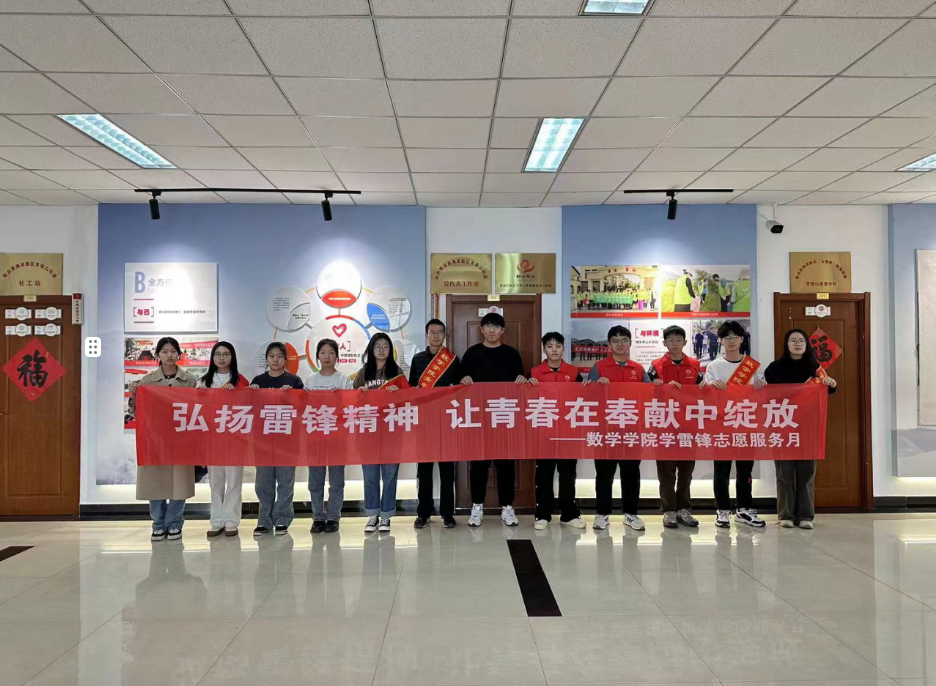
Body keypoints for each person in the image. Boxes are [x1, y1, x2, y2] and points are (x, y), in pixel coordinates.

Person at [765, 329, 837, 529]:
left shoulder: (815, 369)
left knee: (806, 473)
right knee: (784, 473)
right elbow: (766, 393)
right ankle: (786, 515)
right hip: (782, 426)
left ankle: (805, 515)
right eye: (793, 340)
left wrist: (832, 383)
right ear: (786, 344)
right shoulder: (774, 368)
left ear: (806, 345)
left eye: (801, 341)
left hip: (808, 427)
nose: (797, 344)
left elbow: (828, 389)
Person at [460, 312, 526, 527]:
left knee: (505, 464)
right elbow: (460, 384)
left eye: (496, 327)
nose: (491, 330)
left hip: (504, 418)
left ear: (502, 330)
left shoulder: (512, 354)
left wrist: (521, 379)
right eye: (488, 326)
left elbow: (521, 381)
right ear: (481, 329)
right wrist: (463, 379)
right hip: (478, 419)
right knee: (478, 465)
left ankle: (507, 507)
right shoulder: (471, 354)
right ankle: (477, 507)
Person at [130, 337, 197, 542]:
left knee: (180, 484)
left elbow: (197, 410)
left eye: (173, 351)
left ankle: (175, 523)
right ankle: (158, 524)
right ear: (158, 354)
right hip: (155, 440)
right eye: (165, 351)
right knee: (155, 482)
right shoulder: (147, 381)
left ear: (179, 354)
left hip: (181, 439)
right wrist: (134, 395)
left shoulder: (190, 380)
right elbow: (137, 412)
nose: (169, 355)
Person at [704, 320, 767, 529]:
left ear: (742, 339)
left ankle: (744, 509)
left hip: (746, 425)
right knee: (721, 471)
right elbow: (706, 397)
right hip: (722, 426)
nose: (731, 341)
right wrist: (710, 386)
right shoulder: (713, 367)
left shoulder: (753, 366)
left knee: (745, 470)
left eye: (735, 337)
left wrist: (762, 387)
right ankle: (722, 509)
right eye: (727, 337)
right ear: (721, 341)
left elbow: (761, 398)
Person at [588, 325, 648, 531]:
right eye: (615, 340)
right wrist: (597, 385)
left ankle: (631, 514)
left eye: (624, 340)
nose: (620, 344)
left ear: (630, 343)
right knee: (604, 474)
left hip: (631, 430)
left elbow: (649, 395)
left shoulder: (638, 369)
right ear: (609, 344)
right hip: (606, 430)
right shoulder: (599, 367)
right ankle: (602, 514)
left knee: (631, 473)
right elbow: (587, 397)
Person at [648, 326, 703, 529]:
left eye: (678, 339)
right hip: (665, 425)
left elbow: (702, 392)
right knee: (666, 471)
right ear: (664, 343)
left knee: (686, 471)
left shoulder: (695, 365)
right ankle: (669, 510)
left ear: (685, 343)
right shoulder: (655, 366)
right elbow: (645, 393)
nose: (674, 343)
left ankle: (683, 509)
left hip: (688, 425)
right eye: (670, 340)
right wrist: (659, 386)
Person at [409, 319, 462, 529]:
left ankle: (448, 514)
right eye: (432, 332)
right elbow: (412, 388)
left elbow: (460, 387)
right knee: (424, 471)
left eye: (440, 332)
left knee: (448, 471)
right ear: (426, 335)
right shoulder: (417, 359)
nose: (436, 335)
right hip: (425, 422)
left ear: (444, 335)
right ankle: (423, 513)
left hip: (447, 422)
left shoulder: (452, 360)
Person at [528, 332, 584, 531]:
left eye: (558, 346)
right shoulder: (534, 373)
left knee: (568, 474)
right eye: (550, 346)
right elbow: (525, 400)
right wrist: (526, 385)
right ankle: (543, 515)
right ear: (544, 349)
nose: (554, 350)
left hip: (568, 432)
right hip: (544, 432)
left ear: (563, 349)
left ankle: (569, 514)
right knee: (544, 475)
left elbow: (583, 398)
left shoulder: (573, 372)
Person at [354, 333, 408, 533]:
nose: (382, 350)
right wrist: (360, 393)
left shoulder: (397, 372)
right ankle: (372, 514)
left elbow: (407, 399)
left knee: (390, 475)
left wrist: (398, 393)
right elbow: (353, 402)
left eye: (386, 346)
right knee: (369, 475)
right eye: (378, 346)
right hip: (368, 432)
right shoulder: (363, 372)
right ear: (371, 349)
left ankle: (386, 515)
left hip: (392, 432)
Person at [249, 342, 304, 537]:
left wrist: (293, 395)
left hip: (287, 441)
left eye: (279, 356)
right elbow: (249, 410)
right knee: (263, 483)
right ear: (266, 359)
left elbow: (302, 409)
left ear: (285, 360)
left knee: (285, 481)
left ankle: (282, 519)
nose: (275, 360)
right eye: (271, 356)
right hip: (262, 441)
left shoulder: (294, 381)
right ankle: (264, 520)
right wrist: (251, 393)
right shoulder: (258, 381)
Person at [198, 341, 249, 538]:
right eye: (218, 354)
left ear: (232, 357)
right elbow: (196, 408)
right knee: (216, 482)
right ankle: (216, 521)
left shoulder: (241, 381)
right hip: (212, 438)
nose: (221, 358)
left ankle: (231, 521)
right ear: (212, 358)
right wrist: (201, 396)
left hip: (235, 438)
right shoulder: (203, 382)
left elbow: (250, 406)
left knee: (234, 481)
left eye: (226, 354)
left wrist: (237, 393)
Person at [306, 338, 353, 534]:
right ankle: (318, 516)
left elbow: (351, 407)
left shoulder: (344, 380)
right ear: (317, 356)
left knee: (336, 481)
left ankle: (333, 516)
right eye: (323, 352)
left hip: (337, 437)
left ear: (337, 356)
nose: (327, 356)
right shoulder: (310, 381)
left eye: (331, 353)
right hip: (315, 438)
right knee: (315, 481)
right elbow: (304, 408)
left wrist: (341, 397)